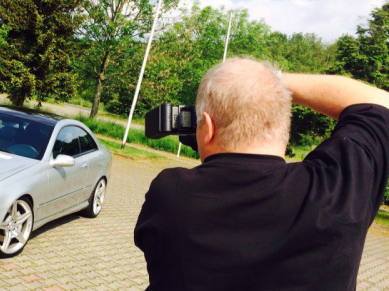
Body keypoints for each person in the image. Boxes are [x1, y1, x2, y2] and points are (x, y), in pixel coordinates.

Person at [134, 58, 389, 290]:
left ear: (207, 128)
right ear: (283, 127)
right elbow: (381, 103)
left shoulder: (169, 194)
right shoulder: (337, 191)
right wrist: (273, 81)